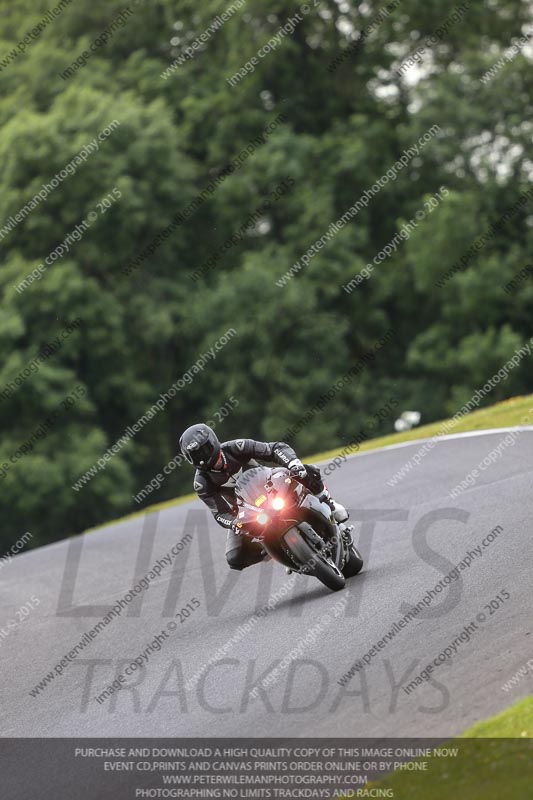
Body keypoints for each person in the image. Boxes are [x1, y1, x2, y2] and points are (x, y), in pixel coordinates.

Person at [180, 423, 352, 571]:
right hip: (247, 512)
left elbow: (274, 448)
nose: (202, 458)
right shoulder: (201, 483)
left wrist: (292, 463)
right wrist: (234, 523)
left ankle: (328, 502)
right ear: (189, 459)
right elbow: (219, 513)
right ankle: (280, 551)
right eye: (196, 455)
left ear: (213, 442)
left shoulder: (236, 447)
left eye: (204, 450)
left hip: (271, 486)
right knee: (234, 558)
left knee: (307, 471)